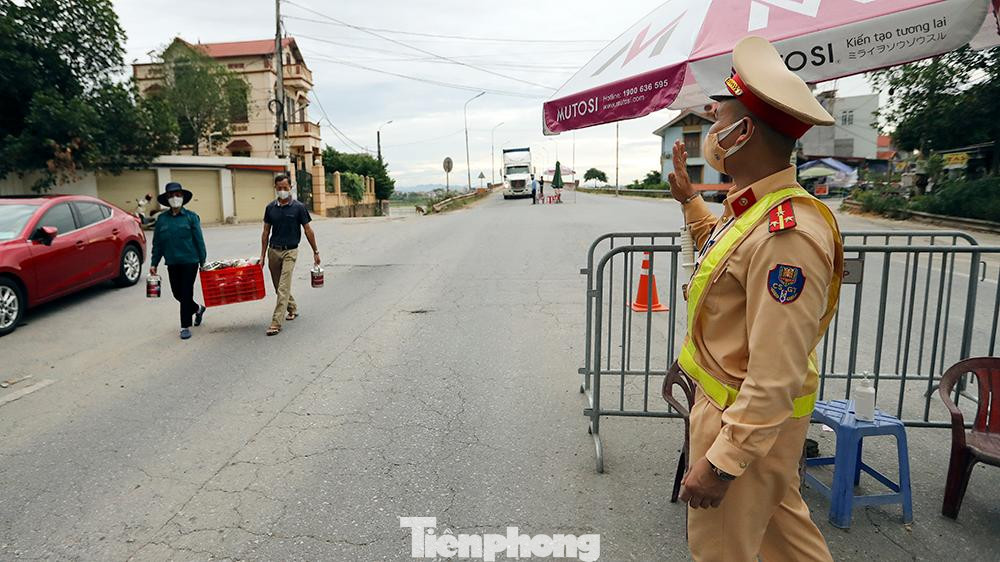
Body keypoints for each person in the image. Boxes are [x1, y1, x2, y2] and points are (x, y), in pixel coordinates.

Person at [668, 36, 843, 561]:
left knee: (723, 551)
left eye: (717, 116)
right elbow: (724, 262)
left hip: (740, 420)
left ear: (742, 132)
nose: (709, 126)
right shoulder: (754, 211)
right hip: (740, 416)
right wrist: (691, 203)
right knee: (786, 544)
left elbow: (775, 374)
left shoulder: (786, 233)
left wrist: (723, 462)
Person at [260, 174, 320, 336]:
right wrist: (262, 256)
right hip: (273, 250)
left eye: (285, 188)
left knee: (283, 286)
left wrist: (316, 251)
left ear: (290, 187)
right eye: (279, 188)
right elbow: (265, 232)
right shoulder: (270, 208)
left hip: (290, 251)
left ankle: (276, 322)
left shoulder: (299, 207)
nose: (282, 191)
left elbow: (308, 230)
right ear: (275, 188)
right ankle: (292, 307)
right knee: (277, 286)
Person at [149, 182, 208, 340]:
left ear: (182, 197)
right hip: (172, 262)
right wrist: (154, 263)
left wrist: (203, 261)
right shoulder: (162, 220)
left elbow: (199, 240)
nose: (175, 198)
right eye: (171, 196)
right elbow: (158, 244)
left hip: (190, 261)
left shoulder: (191, 217)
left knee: (186, 291)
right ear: (167, 199)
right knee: (177, 293)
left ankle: (184, 326)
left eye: (178, 195)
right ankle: (197, 308)